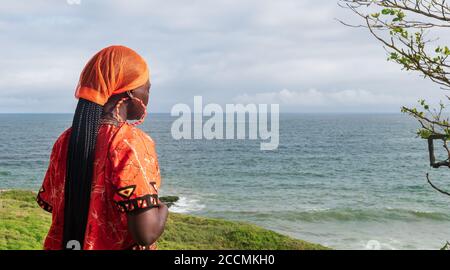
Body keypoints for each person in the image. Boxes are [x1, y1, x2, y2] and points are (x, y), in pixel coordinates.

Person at [36, 45, 168, 250]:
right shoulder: (130, 142)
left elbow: (55, 205)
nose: (148, 97)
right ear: (131, 91)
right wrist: (163, 209)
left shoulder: (65, 140)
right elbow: (146, 233)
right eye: (147, 88)